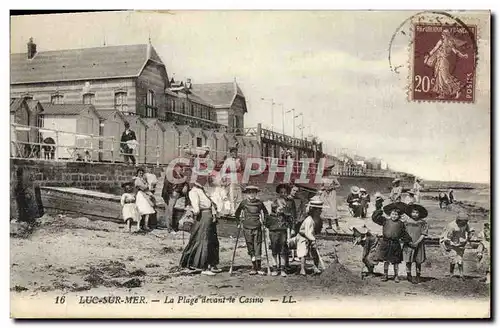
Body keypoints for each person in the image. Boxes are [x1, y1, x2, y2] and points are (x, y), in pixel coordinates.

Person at [179, 179, 221, 275]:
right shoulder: (193, 192)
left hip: (209, 217)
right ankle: (203, 267)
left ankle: (212, 264)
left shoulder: (201, 191)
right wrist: (190, 210)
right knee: (204, 240)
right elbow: (197, 210)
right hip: (203, 217)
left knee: (212, 240)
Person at [372, 200, 412, 283]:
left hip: (395, 244)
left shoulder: (401, 224)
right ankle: (385, 275)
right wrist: (378, 208)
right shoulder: (385, 221)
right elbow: (375, 218)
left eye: (396, 214)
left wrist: (408, 241)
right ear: (389, 214)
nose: (394, 216)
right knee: (386, 261)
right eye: (393, 214)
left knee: (395, 261)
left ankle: (396, 275)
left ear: (399, 216)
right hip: (386, 243)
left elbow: (404, 233)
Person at [424, 28, 469, 99]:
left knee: (445, 78)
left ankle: (458, 90)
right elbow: (434, 49)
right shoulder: (441, 42)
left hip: (444, 61)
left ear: (446, 35)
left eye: (444, 34)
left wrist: (463, 56)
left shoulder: (450, 43)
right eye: (442, 34)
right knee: (439, 78)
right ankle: (442, 94)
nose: (442, 35)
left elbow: (456, 51)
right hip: (439, 61)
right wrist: (428, 55)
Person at [234, 185, 269, 275]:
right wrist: (238, 223)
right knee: (250, 246)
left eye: (253, 192)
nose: (252, 194)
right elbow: (237, 213)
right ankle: (254, 266)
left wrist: (264, 222)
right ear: (247, 194)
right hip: (247, 227)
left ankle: (259, 267)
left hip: (257, 227)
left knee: (258, 245)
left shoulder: (259, 203)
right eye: (250, 193)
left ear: (256, 193)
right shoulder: (244, 203)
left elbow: (266, 213)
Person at [266, 184, 295, 277]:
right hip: (274, 230)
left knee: (284, 249)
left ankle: (284, 267)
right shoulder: (275, 204)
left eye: (285, 192)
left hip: (285, 228)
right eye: (281, 192)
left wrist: (292, 229)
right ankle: (276, 268)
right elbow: (268, 224)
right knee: (274, 250)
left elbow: (292, 216)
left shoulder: (291, 202)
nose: (283, 194)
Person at [296, 197, 325, 276]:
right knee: (303, 252)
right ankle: (302, 269)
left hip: (311, 236)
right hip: (303, 236)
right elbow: (307, 233)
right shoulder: (309, 220)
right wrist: (313, 240)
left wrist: (314, 239)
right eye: (318, 210)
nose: (320, 211)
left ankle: (316, 267)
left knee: (314, 252)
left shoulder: (318, 219)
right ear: (314, 210)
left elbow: (316, 230)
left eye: (320, 209)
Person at [439, 212, 472, 279]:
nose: (464, 223)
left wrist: (468, 238)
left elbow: (469, 231)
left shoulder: (466, 224)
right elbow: (447, 237)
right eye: (462, 222)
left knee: (460, 259)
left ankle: (461, 274)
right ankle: (451, 273)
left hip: (461, 243)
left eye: (465, 222)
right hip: (451, 243)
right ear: (458, 221)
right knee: (453, 258)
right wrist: (451, 244)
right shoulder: (451, 226)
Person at [402, 204, 429, 284]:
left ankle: (418, 275)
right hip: (408, 244)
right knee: (408, 260)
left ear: (420, 214)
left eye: (417, 212)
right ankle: (409, 275)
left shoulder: (423, 223)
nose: (415, 214)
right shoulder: (406, 222)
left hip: (419, 244)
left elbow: (423, 234)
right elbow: (403, 233)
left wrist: (417, 242)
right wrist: (408, 241)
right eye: (413, 212)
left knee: (418, 261)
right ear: (410, 213)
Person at [161, 163, 188, 233]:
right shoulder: (171, 174)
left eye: (182, 167)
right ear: (176, 167)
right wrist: (173, 192)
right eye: (180, 167)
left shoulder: (181, 175)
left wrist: (185, 186)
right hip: (169, 195)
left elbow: (185, 183)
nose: (182, 168)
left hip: (177, 195)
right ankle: (169, 228)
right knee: (169, 211)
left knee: (173, 210)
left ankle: (173, 226)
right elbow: (166, 184)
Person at [224, 147, 243, 216]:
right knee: (230, 195)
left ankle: (238, 211)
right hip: (230, 178)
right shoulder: (227, 160)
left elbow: (241, 169)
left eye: (236, 152)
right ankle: (230, 211)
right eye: (233, 152)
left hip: (237, 179)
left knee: (238, 196)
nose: (235, 153)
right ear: (230, 153)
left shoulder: (239, 160)